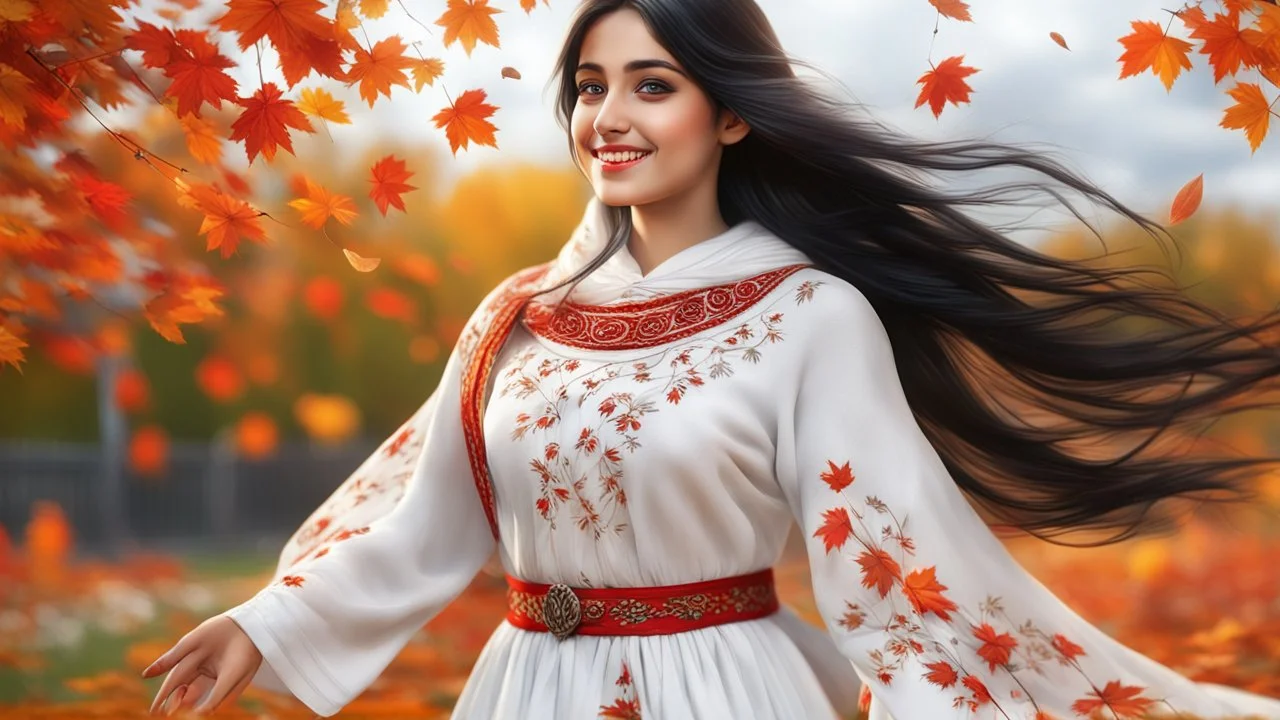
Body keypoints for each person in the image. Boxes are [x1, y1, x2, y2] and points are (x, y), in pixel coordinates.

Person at [141, 1, 1280, 718]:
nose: (608, 117)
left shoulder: (808, 315)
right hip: (524, 687)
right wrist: (266, 625)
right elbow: (431, 527)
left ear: (728, 115)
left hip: (723, 688)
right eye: (590, 87)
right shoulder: (516, 316)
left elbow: (888, 579)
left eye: (651, 84)